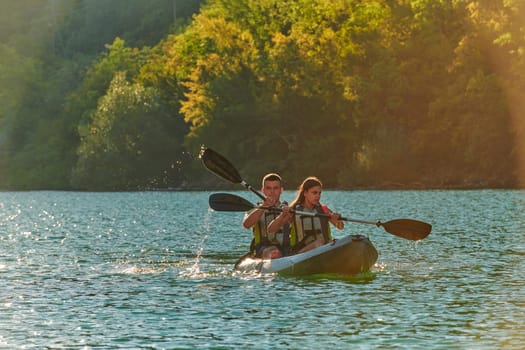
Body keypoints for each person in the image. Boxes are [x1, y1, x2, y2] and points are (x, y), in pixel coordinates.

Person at [267, 176, 344, 254]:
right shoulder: (294, 210)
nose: (317, 196)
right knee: (319, 242)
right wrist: (282, 215)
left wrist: (337, 220)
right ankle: (298, 254)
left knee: (333, 242)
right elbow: (271, 229)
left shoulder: (324, 210)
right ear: (305, 193)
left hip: (322, 248)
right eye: (314, 193)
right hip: (300, 251)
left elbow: (340, 227)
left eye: (319, 193)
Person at [242, 173, 290, 259]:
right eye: (268, 188)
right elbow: (246, 224)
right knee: (274, 252)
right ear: (263, 190)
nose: (272, 192)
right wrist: (264, 206)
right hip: (263, 248)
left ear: (281, 190)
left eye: (275, 188)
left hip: (286, 248)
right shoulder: (255, 208)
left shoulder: (288, 209)